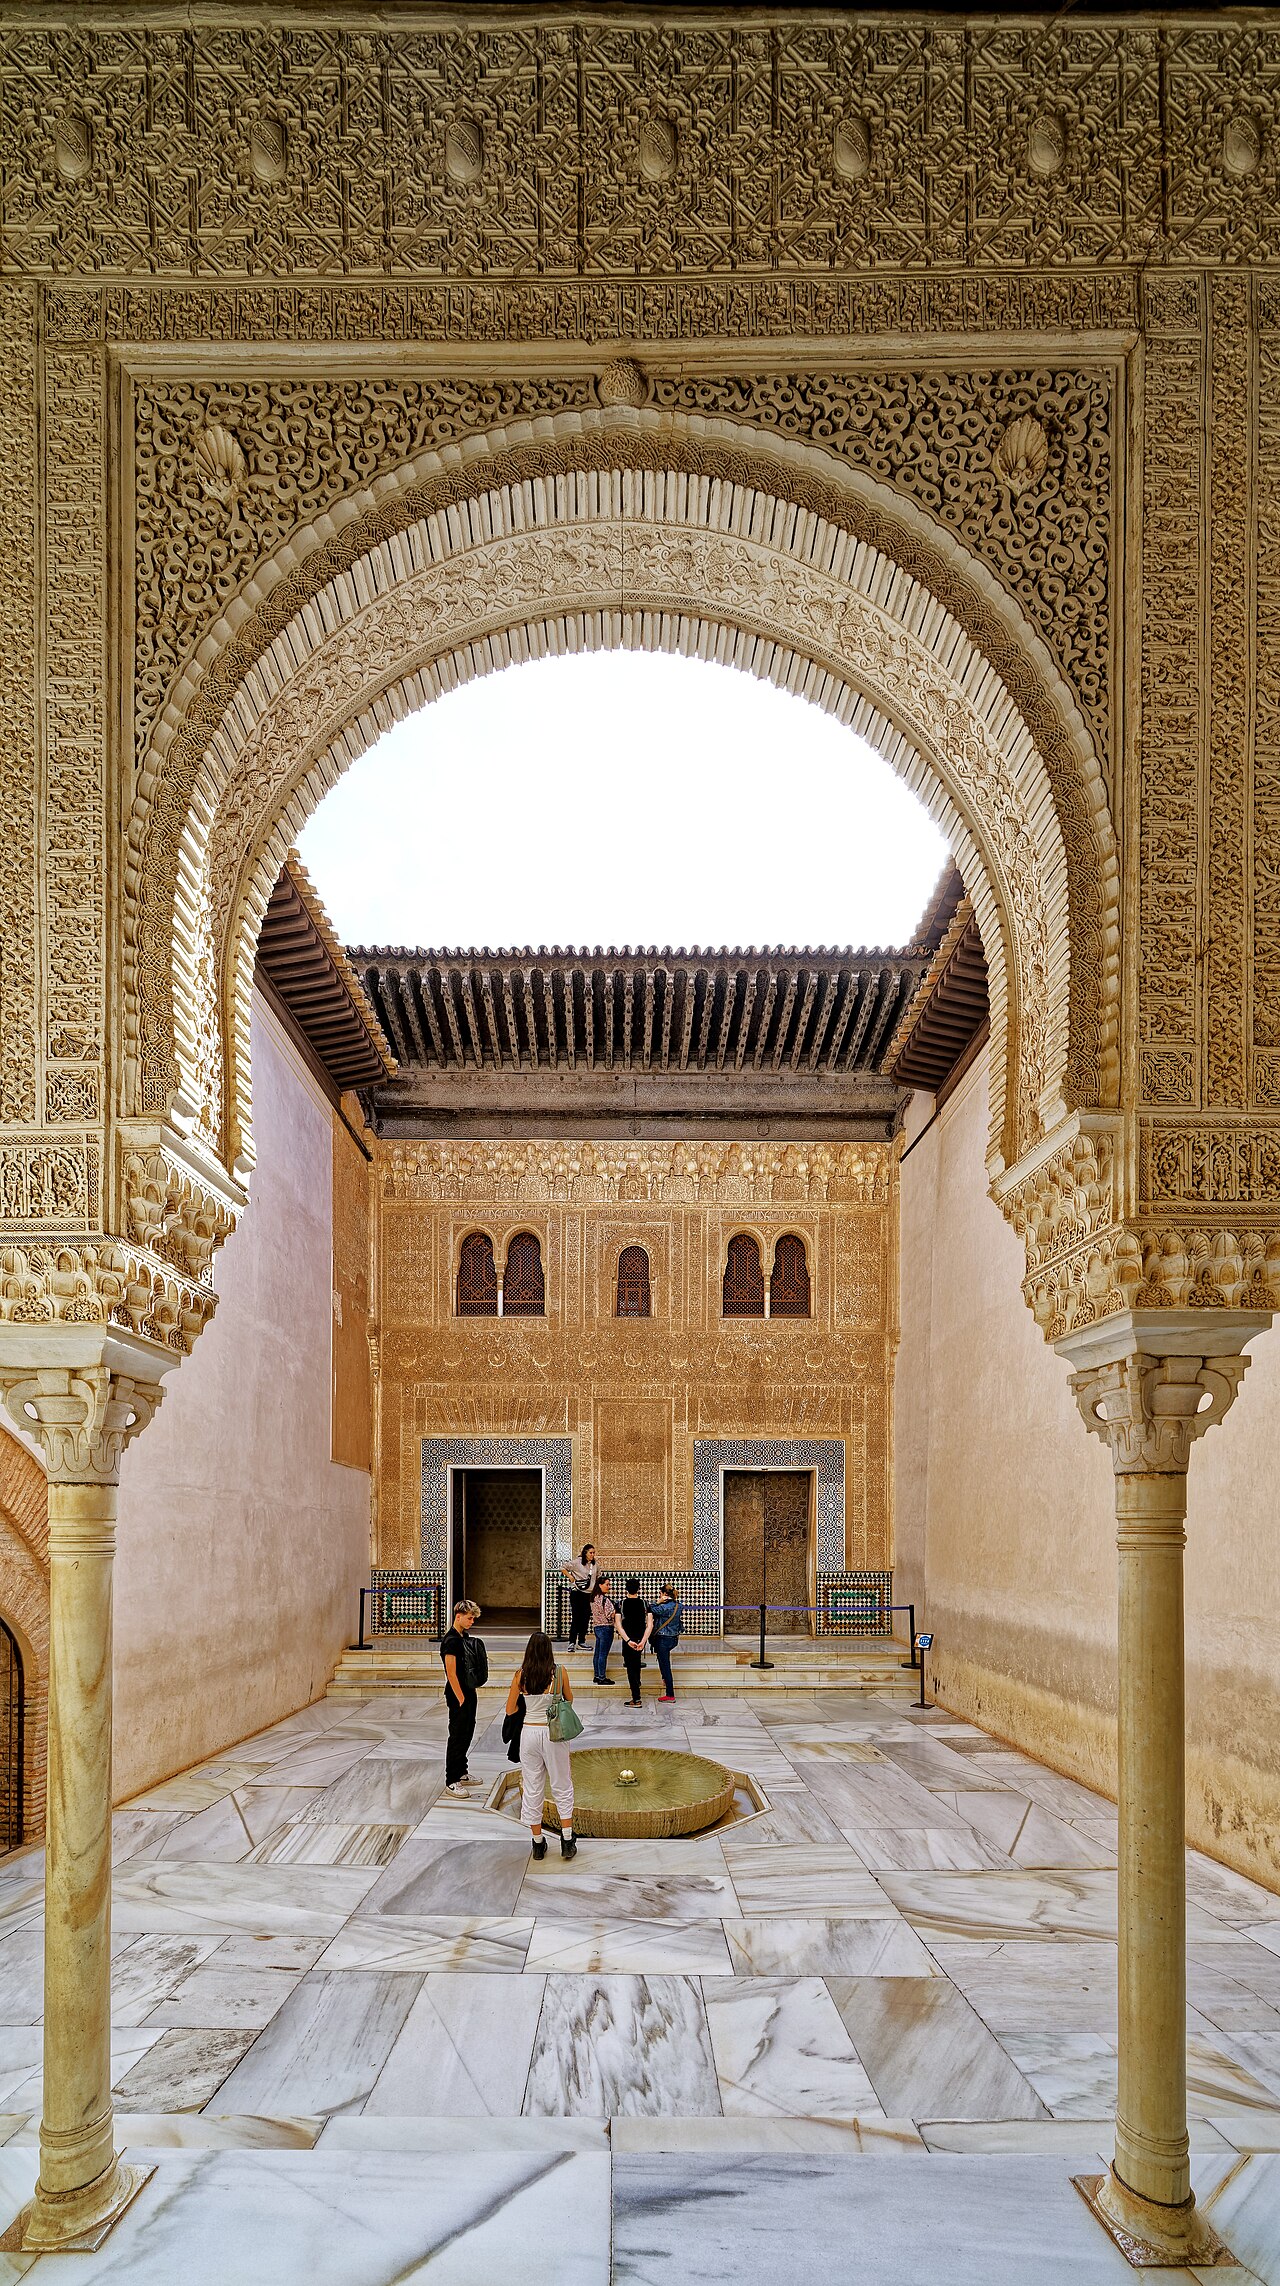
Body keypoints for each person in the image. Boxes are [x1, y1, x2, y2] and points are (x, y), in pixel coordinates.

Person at [506, 1629, 577, 1859]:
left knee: (533, 1786)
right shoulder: (559, 1672)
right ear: (549, 1650)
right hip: (554, 1733)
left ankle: (537, 1843)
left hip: (529, 1734)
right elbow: (569, 1699)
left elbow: (510, 1709)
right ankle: (567, 1839)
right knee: (562, 1785)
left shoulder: (521, 1675)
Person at [440, 1597, 482, 1796]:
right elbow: (451, 1673)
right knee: (457, 1735)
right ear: (459, 1616)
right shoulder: (451, 1641)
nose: (472, 1622)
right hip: (458, 1694)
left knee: (467, 1732)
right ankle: (452, 1779)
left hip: (468, 1692)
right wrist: (461, 1698)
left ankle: (462, 1771)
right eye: (470, 1618)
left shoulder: (463, 1637)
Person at [617, 1575, 651, 1707]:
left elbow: (618, 1625)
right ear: (638, 1589)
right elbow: (649, 1625)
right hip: (640, 1639)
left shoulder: (621, 1604)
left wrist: (628, 1641)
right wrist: (643, 1641)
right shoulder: (645, 1603)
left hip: (629, 1640)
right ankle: (637, 1685)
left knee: (631, 1668)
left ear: (626, 1589)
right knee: (636, 1665)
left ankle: (636, 1699)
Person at [650, 1581, 683, 1702]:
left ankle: (670, 1694)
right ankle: (665, 1678)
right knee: (663, 1661)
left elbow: (650, 1608)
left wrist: (657, 1602)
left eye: (660, 1593)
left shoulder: (663, 1607)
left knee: (665, 1665)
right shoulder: (678, 1605)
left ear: (664, 1594)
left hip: (663, 1639)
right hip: (673, 1639)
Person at [561, 1543, 599, 1650]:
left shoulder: (595, 1565)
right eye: (590, 1553)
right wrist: (570, 1577)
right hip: (577, 1593)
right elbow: (563, 1567)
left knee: (585, 1618)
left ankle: (582, 1641)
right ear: (585, 1552)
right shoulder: (577, 1562)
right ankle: (572, 1642)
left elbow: (598, 1577)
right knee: (576, 1617)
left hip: (589, 1595)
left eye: (593, 1553)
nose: (592, 1555)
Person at [590, 1575, 618, 1684]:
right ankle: (602, 1677)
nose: (609, 1587)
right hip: (606, 1628)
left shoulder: (593, 1598)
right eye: (607, 1584)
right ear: (600, 1585)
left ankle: (597, 1675)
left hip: (597, 1627)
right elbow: (610, 1614)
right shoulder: (604, 1599)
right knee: (603, 1654)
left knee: (597, 1653)